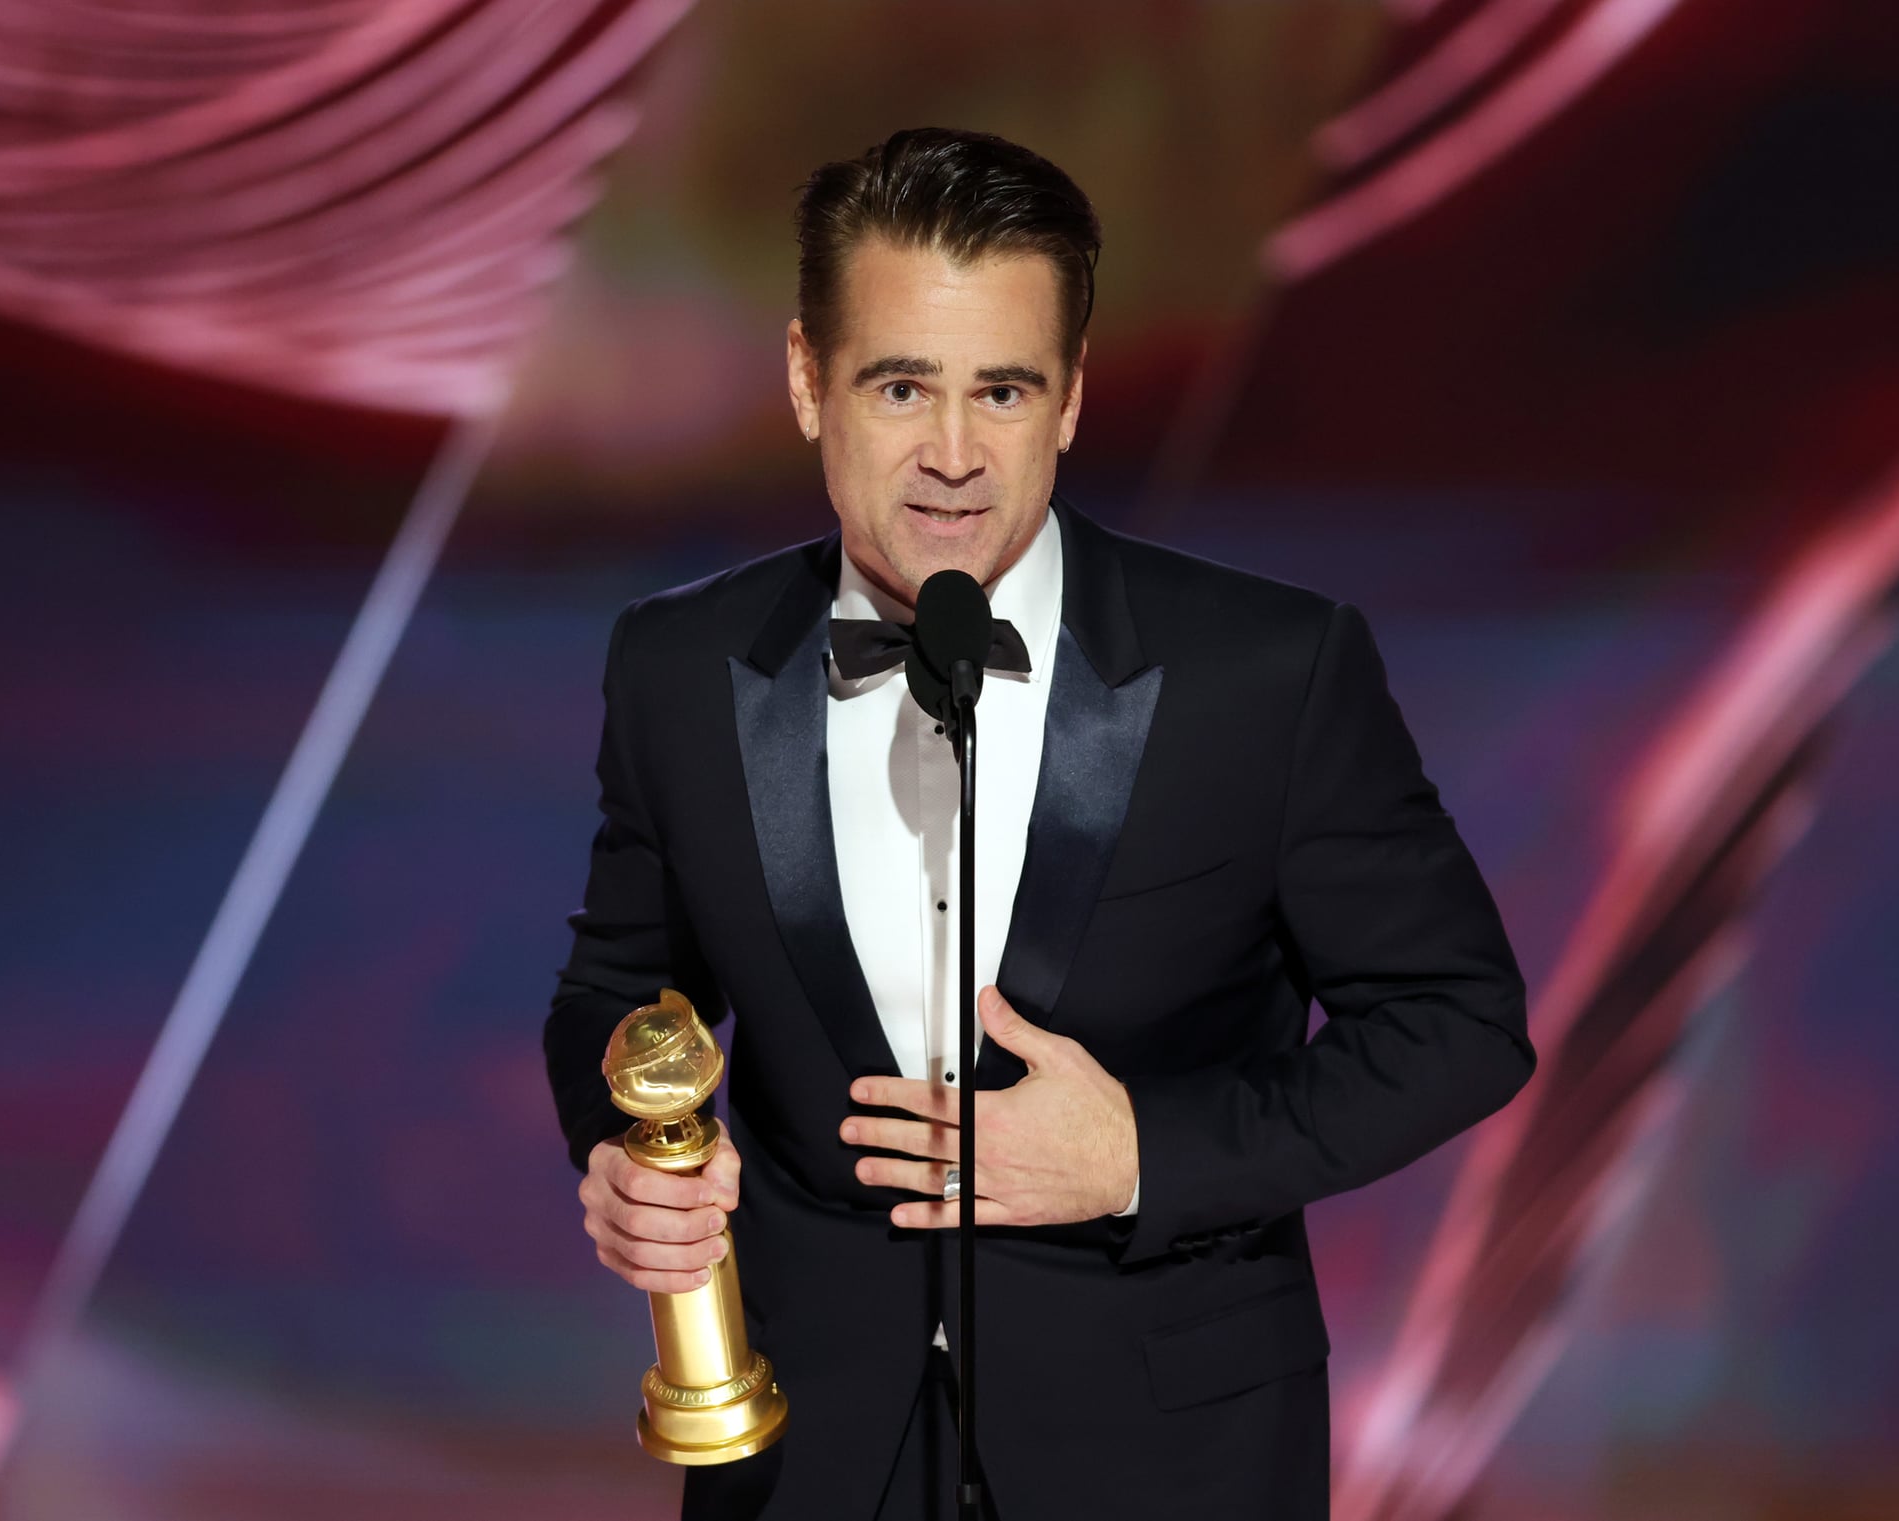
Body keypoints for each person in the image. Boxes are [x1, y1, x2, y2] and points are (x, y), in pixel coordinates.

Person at [544, 126, 1535, 1521]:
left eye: (1002, 390)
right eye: (901, 385)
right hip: (808, 1463)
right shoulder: (675, 668)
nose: (954, 454)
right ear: (805, 381)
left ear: (1068, 400)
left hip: (1169, 1462)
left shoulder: (1270, 672)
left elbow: (1459, 1022)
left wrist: (1144, 1151)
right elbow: (614, 985)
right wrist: (623, 1148)